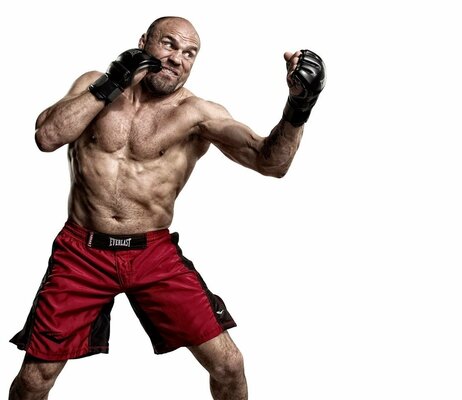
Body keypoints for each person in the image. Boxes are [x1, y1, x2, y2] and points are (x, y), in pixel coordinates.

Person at [8, 16, 325, 400]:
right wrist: (111, 82)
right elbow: (47, 136)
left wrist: (298, 107)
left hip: (152, 255)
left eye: (189, 53)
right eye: (170, 45)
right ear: (144, 41)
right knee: (34, 379)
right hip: (82, 253)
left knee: (229, 365)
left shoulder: (196, 114)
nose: (178, 58)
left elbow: (271, 163)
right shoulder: (94, 83)